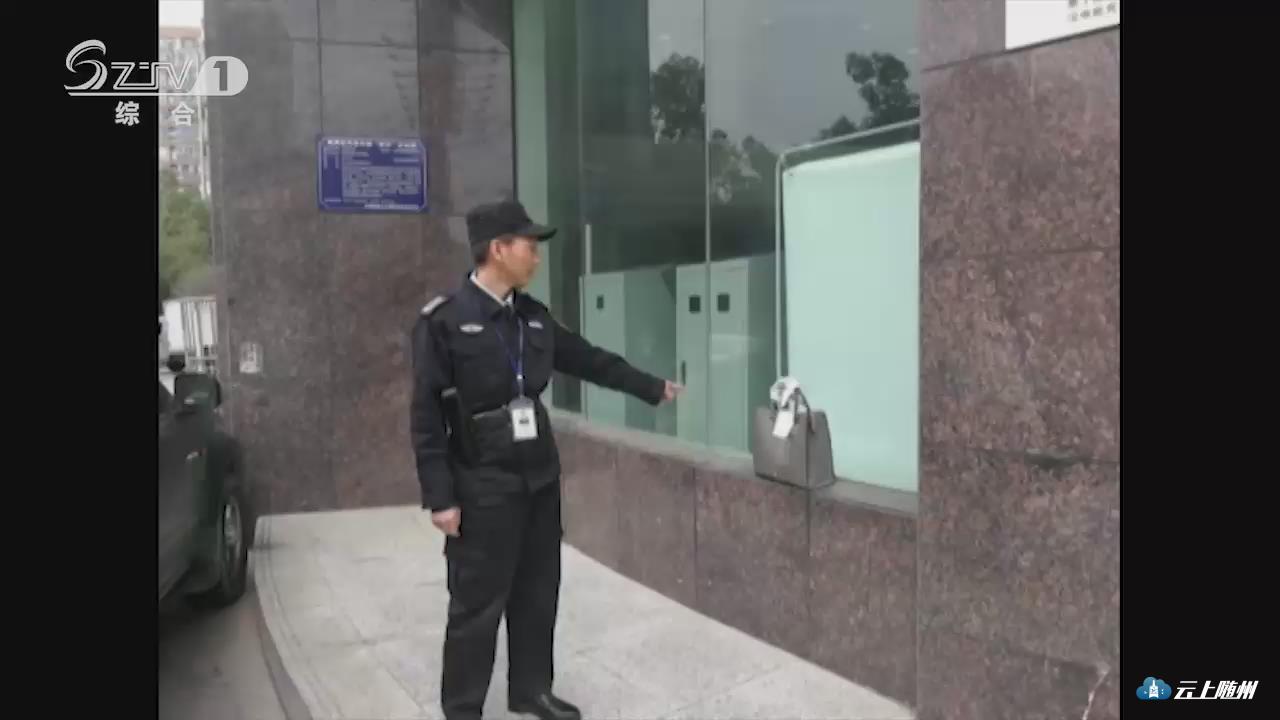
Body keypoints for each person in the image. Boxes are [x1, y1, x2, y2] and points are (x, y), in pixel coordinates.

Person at [409, 200, 682, 720]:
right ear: (498, 249)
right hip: (482, 482)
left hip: (538, 478)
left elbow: (589, 360)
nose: (536, 257)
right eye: (529, 247)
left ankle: (530, 691)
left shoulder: (532, 317)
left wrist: (650, 387)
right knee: (476, 602)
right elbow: (425, 417)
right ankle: (462, 708)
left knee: (538, 591)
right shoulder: (445, 321)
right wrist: (440, 498)